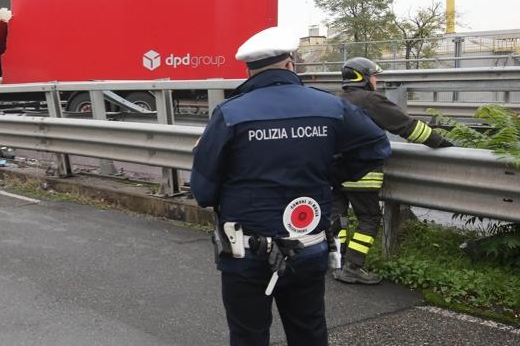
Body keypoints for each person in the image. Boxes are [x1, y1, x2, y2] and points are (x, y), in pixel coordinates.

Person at [191, 27, 391, 346]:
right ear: (290, 65)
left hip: (246, 252)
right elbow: (376, 147)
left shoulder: (230, 113)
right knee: (309, 331)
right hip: (308, 247)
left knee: (248, 335)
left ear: (249, 70)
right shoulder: (330, 107)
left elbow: (203, 191)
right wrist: (330, 174)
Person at [330, 57, 454, 285]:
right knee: (369, 218)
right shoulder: (371, 100)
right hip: (362, 170)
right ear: (365, 78)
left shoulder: (336, 100)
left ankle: (336, 262)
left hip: (334, 172)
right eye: (374, 76)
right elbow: (408, 127)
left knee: (338, 217)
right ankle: (353, 266)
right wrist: (442, 143)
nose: (376, 80)